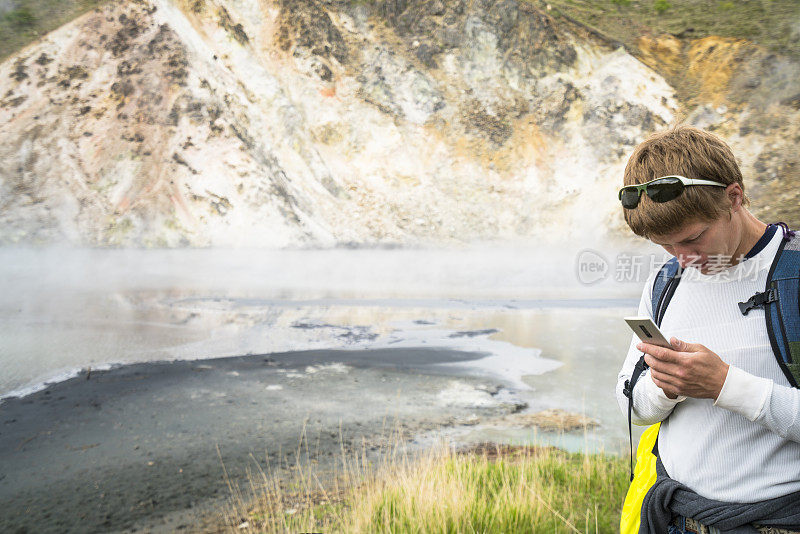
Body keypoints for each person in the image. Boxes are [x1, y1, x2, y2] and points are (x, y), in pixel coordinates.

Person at [614, 125, 800, 534]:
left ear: (734, 197)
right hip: (678, 519)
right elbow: (633, 406)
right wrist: (667, 386)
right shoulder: (665, 283)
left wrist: (724, 385)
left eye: (694, 238)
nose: (683, 259)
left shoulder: (795, 274)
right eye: (666, 246)